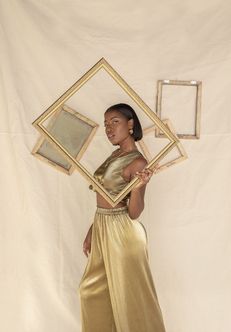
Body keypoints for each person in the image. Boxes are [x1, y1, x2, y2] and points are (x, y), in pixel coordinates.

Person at [78, 103, 166, 332]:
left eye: (114, 122)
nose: (108, 128)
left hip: (122, 232)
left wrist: (139, 187)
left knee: (128, 298)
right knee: (93, 290)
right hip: (103, 225)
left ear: (130, 124)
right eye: (106, 124)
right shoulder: (116, 154)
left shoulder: (138, 162)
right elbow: (105, 197)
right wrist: (92, 230)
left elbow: (134, 213)